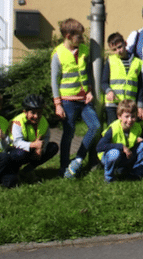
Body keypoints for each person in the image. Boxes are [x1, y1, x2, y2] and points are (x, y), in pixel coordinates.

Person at [51, 18, 101, 178]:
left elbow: (87, 73)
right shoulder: (57, 54)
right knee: (68, 133)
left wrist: (90, 91)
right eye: (79, 36)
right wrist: (57, 104)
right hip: (67, 101)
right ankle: (64, 167)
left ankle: (78, 159)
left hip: (84, 99)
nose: (82, 39)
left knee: (95, 126)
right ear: (68, 35)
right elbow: (54, 80)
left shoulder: (84, 50)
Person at [96, 100, 143, 183]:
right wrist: (121, 147)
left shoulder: (137, 126)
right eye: (126, 116)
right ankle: (109, 177)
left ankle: (136, 174)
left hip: (126, 155)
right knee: (114, 153)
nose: (130, 120)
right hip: (110, 156)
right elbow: (99, 147)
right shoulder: (114, 128)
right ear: (119, 116)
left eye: (133, 116)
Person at [9, 94, 59, 182]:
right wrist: (34, 145)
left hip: (33, 149)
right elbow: (16, 142)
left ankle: (27, 171)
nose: (36, 116)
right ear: (25, 112)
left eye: (39, 112)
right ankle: (13, 171)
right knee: (20, 153)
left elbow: (46, 137)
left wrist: (41, 149)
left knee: (53, 147)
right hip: (14, 150)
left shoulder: (43, 121)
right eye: (33, 113)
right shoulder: (17, 122)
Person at [101, 32, 143, 124]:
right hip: (113, 104)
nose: (118, 51)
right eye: (114, 49)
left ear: (125, 43)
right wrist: (109, 91)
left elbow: (140, 86)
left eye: (120, 47)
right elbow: (103, 82)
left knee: (128, 132)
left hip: (129, 105)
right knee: (113, 131)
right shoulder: (110, 61)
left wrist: (140, 105)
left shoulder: (137, 62)